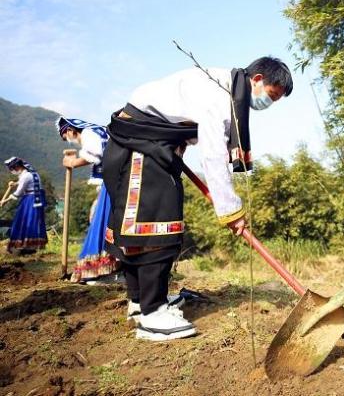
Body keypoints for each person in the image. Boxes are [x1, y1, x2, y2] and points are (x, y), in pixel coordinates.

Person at [102, 56, 293, 341]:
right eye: (272, 95)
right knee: (157, 229)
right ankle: (152, 315)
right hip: (144, 147)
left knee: (139, 230)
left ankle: (140, 303)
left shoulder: (225, 87)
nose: (270, 104)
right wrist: (230, 209)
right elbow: (213, 154)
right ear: (257, 80)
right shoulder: (219, 95)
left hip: (146, 146)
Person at [57, 117, 120, 283]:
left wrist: (73, 162)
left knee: (102, 224)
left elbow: (94, 153)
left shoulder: (88, 133)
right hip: (114, 180)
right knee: (101, 219)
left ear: (70, 131)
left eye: (66, 138)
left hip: (114, 181)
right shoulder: (100, 131)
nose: (70, 141)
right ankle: (107, 268)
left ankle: (97, 270)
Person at [1, 157, 47, 253]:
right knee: (34, 221)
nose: (13, 171)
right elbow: (28, 183)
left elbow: (18, 193)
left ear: (17, 167)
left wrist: (4, 201)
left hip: (30, 200)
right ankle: (34, 245)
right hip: (36, 199)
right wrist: (15, 183)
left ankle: (24, 246)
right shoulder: (32, 173)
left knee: (23, 221)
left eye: (13, 169)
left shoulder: (25, 176)